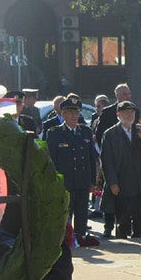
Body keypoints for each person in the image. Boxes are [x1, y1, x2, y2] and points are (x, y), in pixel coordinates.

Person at [46, 94, 99, 246]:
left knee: (82, 212)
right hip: (65, 181)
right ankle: (65, 238)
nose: (74, 116)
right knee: (65, 212)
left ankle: (80, 236)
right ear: (63, 114)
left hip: (82, 180)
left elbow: (91, 158)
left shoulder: (85, 132)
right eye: (70, 113)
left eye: (76, 113)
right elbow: (52, 160)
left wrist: (92, 181)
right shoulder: (55, 133)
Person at [99, 100, 141, 239]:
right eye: (125, 113)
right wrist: (112, 183)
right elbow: (107, 161)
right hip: (121, 182)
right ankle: (123, 242)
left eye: (132, 113)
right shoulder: (111, 134)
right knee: (122, 220)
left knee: (140, 219)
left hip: (140, 181)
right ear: (118, 114)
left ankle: (139, 236)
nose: (129, 115)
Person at [95, 83, 133, 237]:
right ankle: (108, 226)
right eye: (124, 94)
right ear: (117, 96)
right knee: (110, 196)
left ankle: (124, 228)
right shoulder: (108, 112)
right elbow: (99, 135)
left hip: (128, 163)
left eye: (128, 93)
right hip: (112, 158)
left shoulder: (133, 109)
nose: (127, 96)